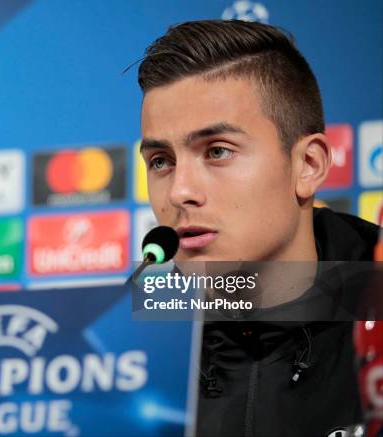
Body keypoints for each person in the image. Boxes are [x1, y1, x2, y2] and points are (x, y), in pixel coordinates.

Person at [136, 20, 381, 436]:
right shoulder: (127, 352)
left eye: (217, 151)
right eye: (161, 160)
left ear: (308, 166)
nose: (179, 192)